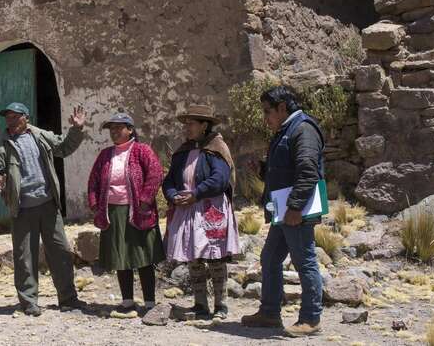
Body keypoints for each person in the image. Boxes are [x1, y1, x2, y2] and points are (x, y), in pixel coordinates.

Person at [0, 102, 87, 316]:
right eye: (8, 118)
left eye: (15, 117)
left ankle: (68, 298)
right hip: (22, 209)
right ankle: (29, 301)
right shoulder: (4, 145)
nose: (10, 121)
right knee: (24, 257)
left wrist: (76, 129)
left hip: (49, 205)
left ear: (26, 118)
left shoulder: (40, 136)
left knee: (60, 252)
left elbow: (64, 147)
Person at [241, 86, 325, 337]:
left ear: (282, 108)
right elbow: (285, 171)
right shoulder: (286, 131)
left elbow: (308, 171)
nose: (265, 117)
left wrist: (296, 207)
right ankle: (269, 313)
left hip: (294, 211)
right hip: (284, 210)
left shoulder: (303, 129)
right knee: (270, 258)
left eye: (268, 111)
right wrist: (263, 169)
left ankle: (311, 319)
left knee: (304, 260)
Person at [162, 104, 240, 320]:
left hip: (209, 208)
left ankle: (221, 305)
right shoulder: (182, 151)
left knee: (215, 257)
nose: (186, 127)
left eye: (191, 124)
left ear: (204, 125)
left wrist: (196, 193)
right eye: (185, 124)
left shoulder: (216, 148)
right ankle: (200, 304)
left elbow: (220, 178)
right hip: (187, 209)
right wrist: (172, 195)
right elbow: (169, 180)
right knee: (194, 257)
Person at [86, 113, 165, 318]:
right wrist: (95, 204)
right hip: (113, 212)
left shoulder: (142, 151)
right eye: (111, 128)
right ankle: (127, 302)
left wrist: (145, 199)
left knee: (143, 256)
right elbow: (94, 179)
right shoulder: (105, 155)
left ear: (130, 129)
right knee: (121, 256)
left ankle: (149, 303)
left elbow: (155, 173)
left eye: (119, 128)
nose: (114, 132)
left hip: (138, 211)